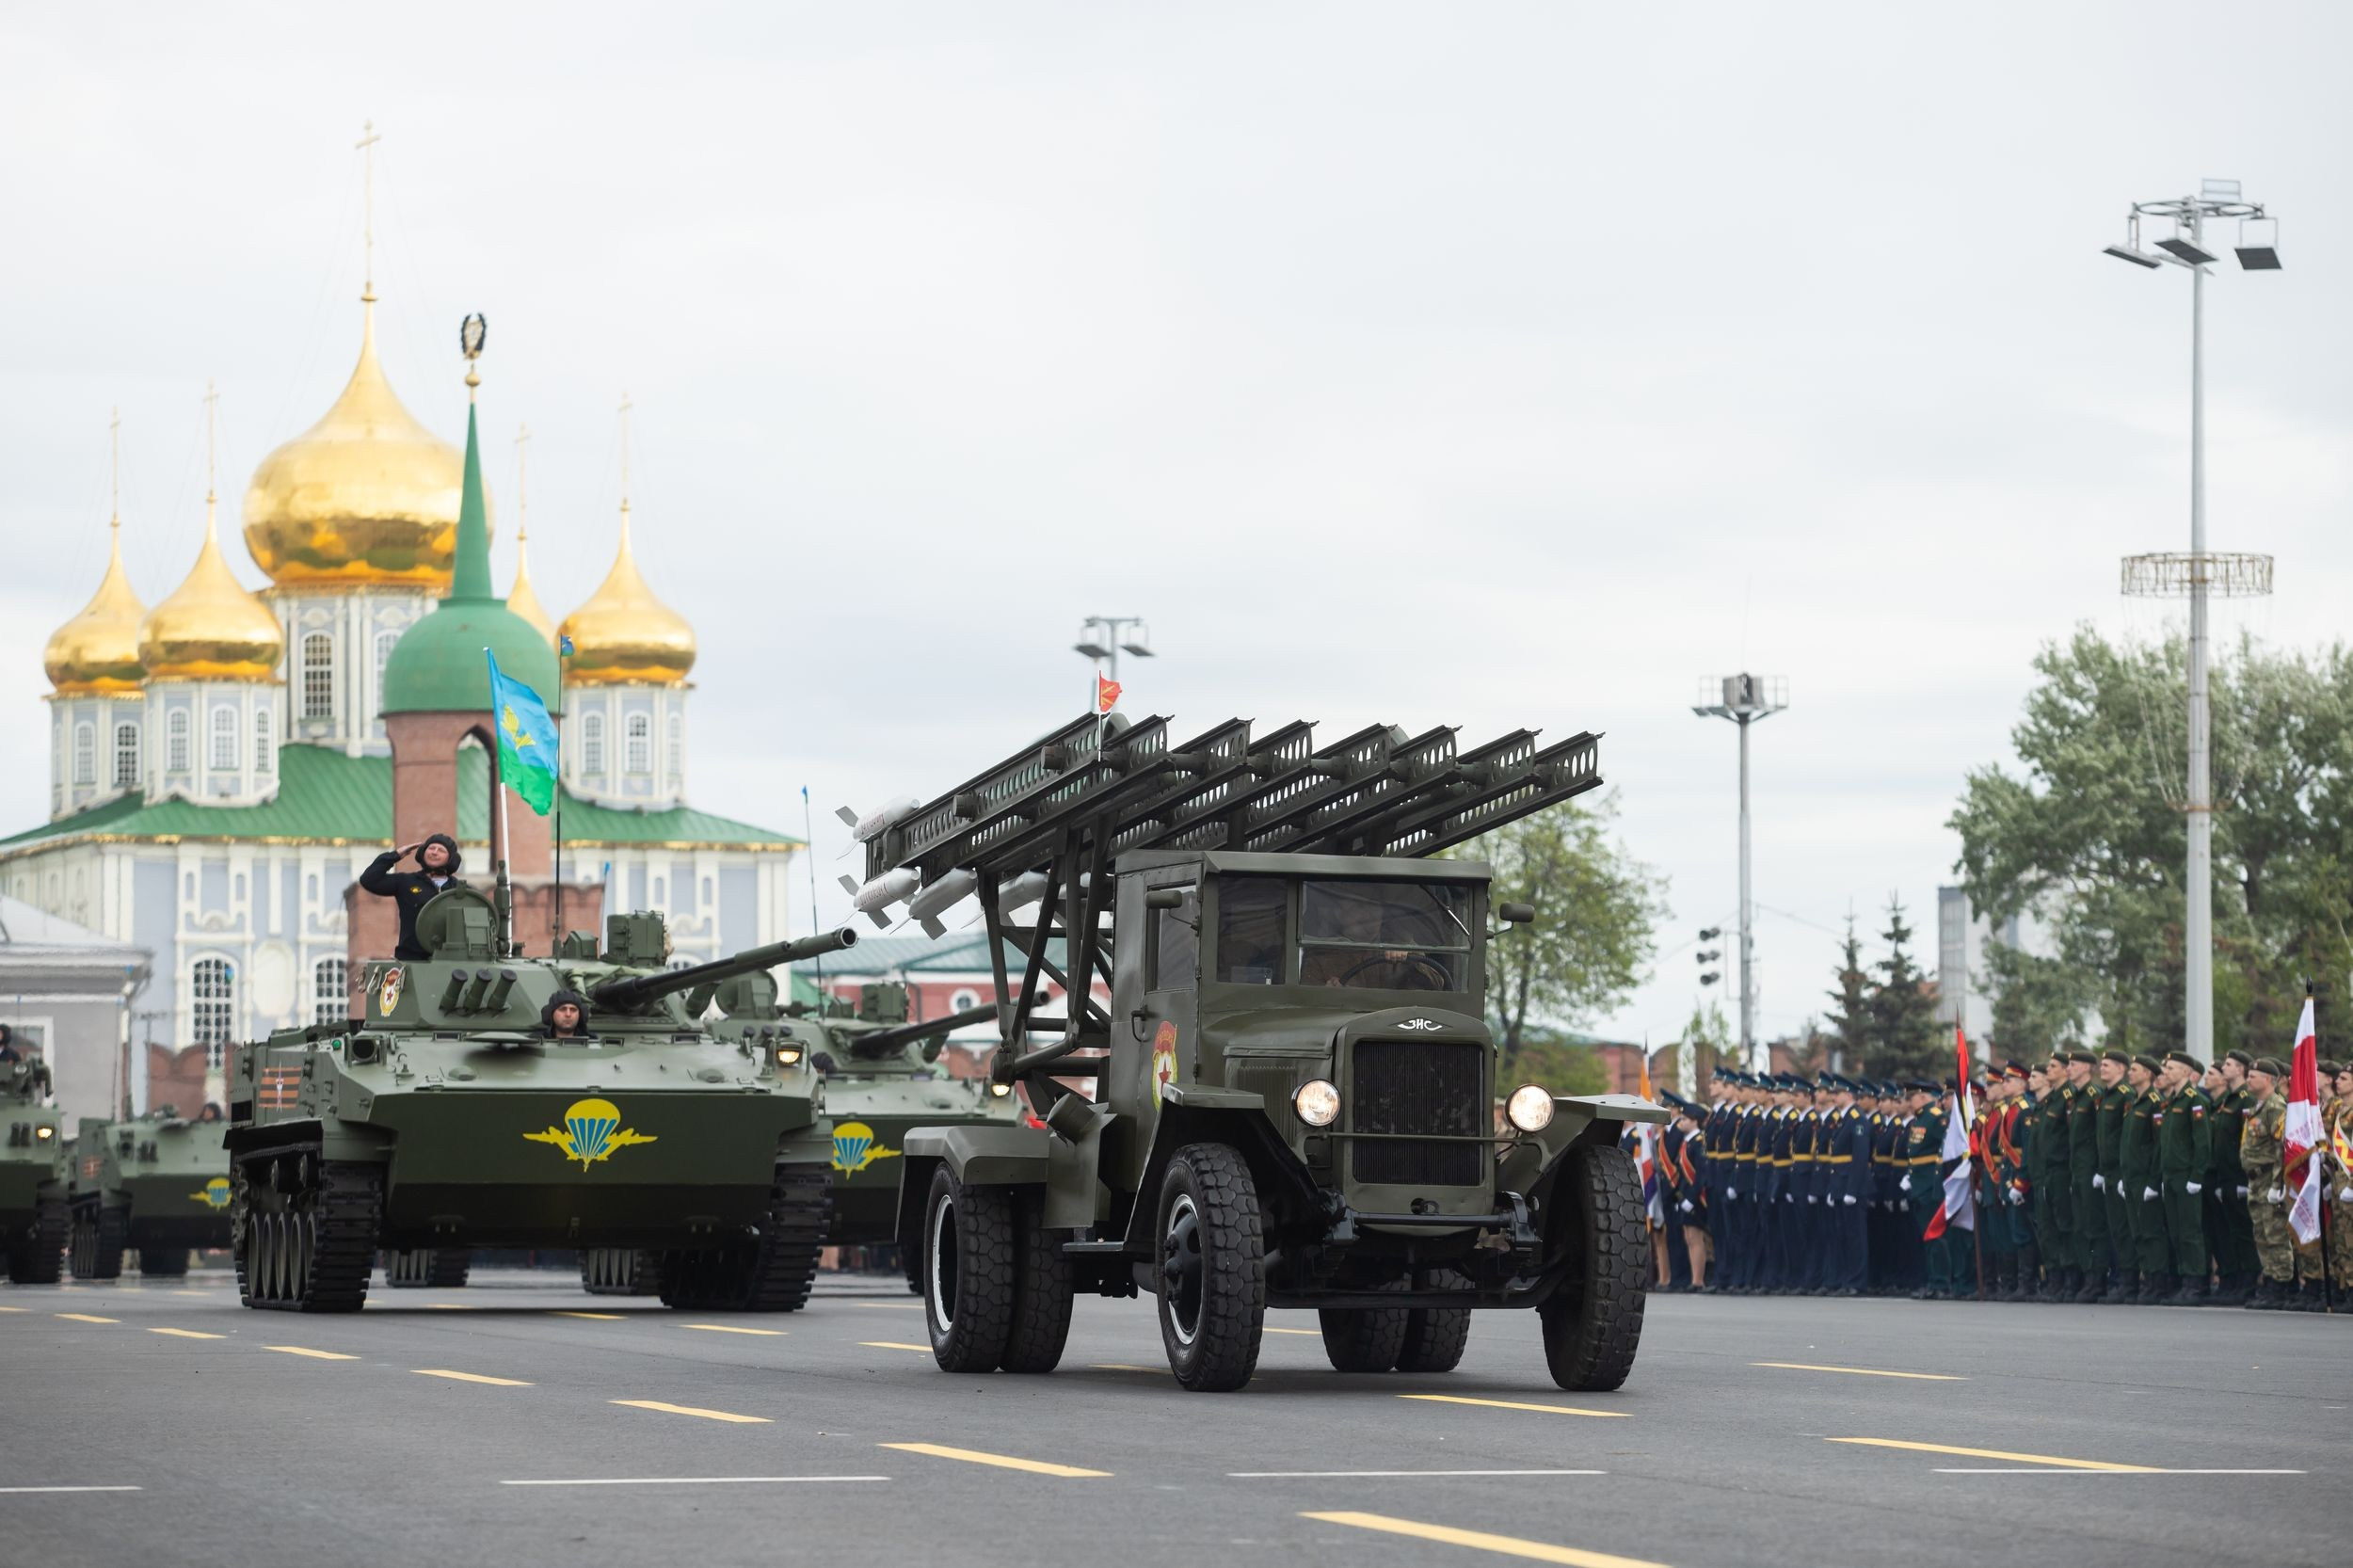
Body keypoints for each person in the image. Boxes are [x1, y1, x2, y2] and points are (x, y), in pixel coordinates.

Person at [2155, 1049, 2214, 1304]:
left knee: (2190, 1231)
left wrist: (2196, 1176)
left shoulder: (2194, 1100)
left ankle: (2196, 1282)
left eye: (2171, 1068)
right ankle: (2183, 1280)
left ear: (2186, 1072)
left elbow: (2203, 1143)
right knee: (2177, 1231)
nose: (2165, 1072)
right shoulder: (2171, 1101)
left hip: (2186, 1176)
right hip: (2170, 1176)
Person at [2238, 1056, 2297, 1310]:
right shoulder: (2258, 1107)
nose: (2249, 1079)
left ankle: (2281, 1285)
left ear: (2269, 1080)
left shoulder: (2275, 1107)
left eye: (2254, 1076)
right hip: (2256, 1181)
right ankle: (2271, 1279)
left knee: (2275, 1235)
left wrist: (2278, 1184)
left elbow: (2282, 1149)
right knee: (2262, 1234)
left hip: (2268, 1179)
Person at [360, 834, 467, 961]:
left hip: (451, 960)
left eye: (441, 850)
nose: (434, 852)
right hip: (411, 958)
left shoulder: (461, 890)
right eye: (431, 848)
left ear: (451, 858)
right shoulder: (406, 882)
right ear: (423, 852)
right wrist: (395, 855)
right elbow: (369, 880)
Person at [2208, 1049, 2259, 1304]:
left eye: (2228, 1064)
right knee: (2231, 1232)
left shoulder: (2245, 1100)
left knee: (2243, 1232)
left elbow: (2247, 1142)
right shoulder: (2228, 1100)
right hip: (2225, 1177)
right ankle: (2236, 1281)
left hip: (2239, 1177)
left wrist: (2243, 1179)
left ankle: (2248, 1282)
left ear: (2240, 1069)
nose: (2224, 1068)